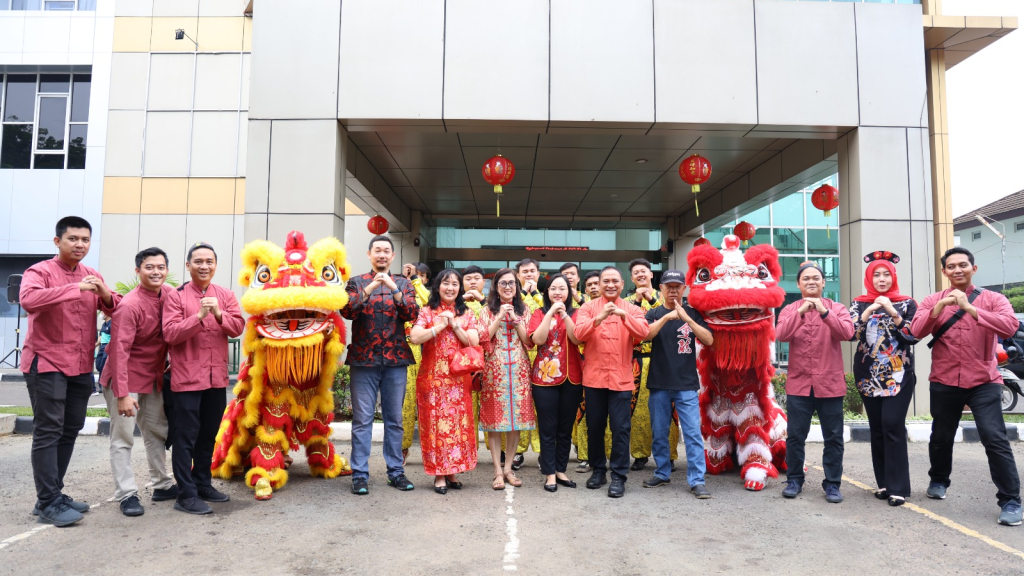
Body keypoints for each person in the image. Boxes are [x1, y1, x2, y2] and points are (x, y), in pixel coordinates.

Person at [910, 247, 1022, 526]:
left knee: (994, 438)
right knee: (941, 435)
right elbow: (915, 331)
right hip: (944, 379)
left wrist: (971, 309)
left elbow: (1009, 326)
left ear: (974, 268)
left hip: (984, 380)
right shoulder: (931, 300)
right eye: (951, 266)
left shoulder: (993, 298)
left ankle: (1010, 500)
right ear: (944, 271)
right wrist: (939, 308)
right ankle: (938, 480)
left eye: (963, 265)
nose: (957, 269)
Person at [21, 216, 118, 527]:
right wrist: (73, 288)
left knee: (71, 427)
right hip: (46, 361)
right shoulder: (40, 272)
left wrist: (104, 294)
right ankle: (48, 501)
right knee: (48, 430)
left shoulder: (92, 274)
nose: (80, 244)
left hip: (79, 366)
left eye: (85, 240)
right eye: (73, 239)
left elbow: (115, 307)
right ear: (57, 241)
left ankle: (51, 495)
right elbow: (29, 300)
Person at [162, 242, 244, 515]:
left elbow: (237, 327)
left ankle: (202, 483)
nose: (204, 266)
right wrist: (198, 316)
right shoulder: (176, 296)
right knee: (185, 437)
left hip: (216, 378)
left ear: (215, 265)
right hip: (186, 378)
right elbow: (171, 334)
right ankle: (185, 494)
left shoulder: (225, 295)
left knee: (209, 434)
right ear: (188, 265)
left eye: (209, 261)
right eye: (198, 261)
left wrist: (219, 313)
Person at [101, 247, 177, 516]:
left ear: (167, 270)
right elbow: (119, 351)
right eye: (149, 267)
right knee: (123, 438)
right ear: (138, 271)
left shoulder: (169, 294)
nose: (156, 272)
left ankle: (162, 484)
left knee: (157, 431)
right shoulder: (129, 305)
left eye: (160, 267)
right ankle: (127, 494)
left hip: (153, 378)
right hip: (124, 380)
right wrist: (122, 394)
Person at [341, 236, 419, 495]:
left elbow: (411, 313)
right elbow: (347, 311)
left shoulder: (403, 283)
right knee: (362, 420)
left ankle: (395, 472)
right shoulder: (356, 282)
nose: (382, 254)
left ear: (393, 256)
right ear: (369, 254)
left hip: (396, 359)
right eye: (378, 250)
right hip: (364, 360)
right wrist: (370, 288)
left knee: (394, 420)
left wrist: (394, 290)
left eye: (387, 251)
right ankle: (360, 474)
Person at [776, 261, 854, 503]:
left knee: (833, 437)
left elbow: (847, 333)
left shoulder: (837, 308)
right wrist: (801, 312)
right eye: (806, 278)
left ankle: (832, 484)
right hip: (799, 384)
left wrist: (824, 312)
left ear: (823, 283)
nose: (811, 281)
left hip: (830, 384)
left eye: (816, 278)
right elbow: (781, 335)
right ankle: (794, 479)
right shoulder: (790, 309)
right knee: (795, 436)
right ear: (798, 284)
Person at [849, 251, 918, 507]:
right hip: (868, 374)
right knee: (877, 428)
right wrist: (870, 312)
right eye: (876, 274)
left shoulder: (907, 303)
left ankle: (899, 488)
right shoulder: (859, 303)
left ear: (894, 276)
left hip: (899, 374)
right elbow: (850, 333)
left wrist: (892, 311)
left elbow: (914, 336)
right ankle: (885, 484)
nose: (881, 279)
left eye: (886, 274)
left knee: (892, 424)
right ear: (869, 277)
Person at [574, 266, 650, 498]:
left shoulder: (632, 308)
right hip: (594, 379)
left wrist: (623, 316)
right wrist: (599, 318)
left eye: (614, 281)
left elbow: (644, 333)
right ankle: (598, 470)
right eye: (605, 281)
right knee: (595, 427)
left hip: (622, 380)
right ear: (599, 283)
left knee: (621, 429)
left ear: (621, 283)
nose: (610, 285)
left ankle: (618, 475)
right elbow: (578, 335)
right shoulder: (587, 307)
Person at [641, 269, 713, 498]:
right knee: (660, 432)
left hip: (686, 385)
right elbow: (645, 335)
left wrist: (687, 318)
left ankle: (697, 480)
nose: (673, 290)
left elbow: (709, 339)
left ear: (684, 288)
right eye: (668, 286)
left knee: (692, 433)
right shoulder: (653, 313)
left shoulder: (694, 313)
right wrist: (666, 317)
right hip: (659, 383)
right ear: (660, 288)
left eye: (677, 286)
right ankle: (662, 473)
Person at [409, 269, 480, 494]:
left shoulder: (466, 313)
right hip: (432, 380)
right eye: (445, 283)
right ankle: (439, 473)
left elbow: (474, 342)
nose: (450, 288)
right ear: (437, 286)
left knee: (458, 426)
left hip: (458, 381)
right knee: (436, 426)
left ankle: (452, 470)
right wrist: (439, 326)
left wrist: (455, 325)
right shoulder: (427, 311)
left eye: (455, 284)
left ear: (460, 289)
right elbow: (415, 337)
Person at [479, 269, 536, 490]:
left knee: (515, 422)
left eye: (512, 283)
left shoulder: (525, 309)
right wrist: (500, 317)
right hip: (494, 369)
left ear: (517, 286)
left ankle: (509, 468)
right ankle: (496, 470)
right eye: (503, 283)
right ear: (495, 286)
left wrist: (515, 320)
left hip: (520, 370)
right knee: (494, 421)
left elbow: (529, 342)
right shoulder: (486, 311)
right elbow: (483, 339)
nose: (508, 287)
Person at [529, 273, 583, 492]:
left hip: (572, 377)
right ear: (547, 292)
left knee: (565, 427)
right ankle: (549, 473)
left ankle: (561, 470)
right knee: (548, 427)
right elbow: (538, 340)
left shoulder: (578, 313)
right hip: (544, 378)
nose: (558, 292)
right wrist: (550, 313)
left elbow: (577, 338)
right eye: (553, 288)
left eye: (562, 288)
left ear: (569, 292)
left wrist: (565, 316)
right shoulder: (538, 313)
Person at [624, 258, 671, 471]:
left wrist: (651, 299)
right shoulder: (626, 301)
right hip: (635, 360)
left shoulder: (664, 298)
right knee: (637, 410)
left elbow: (672, 321)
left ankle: (669, 454)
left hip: (664, 358)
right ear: (632, 278)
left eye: (644, 271)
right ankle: (640, 454)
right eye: (636, 273)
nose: (641, 275)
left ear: (652, 275)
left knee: (667, 409)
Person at [510, 258, 544, 469]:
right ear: (518, 276)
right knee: (519, 405)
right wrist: (523, 293)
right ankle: (518, 451)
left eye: (533, 271)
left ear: (538, 274)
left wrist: (536, 294)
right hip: (518, 356)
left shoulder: (545, 296)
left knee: (542, 405)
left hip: (542, 358)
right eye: (525, 272)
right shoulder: (512, 297)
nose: (529, 274)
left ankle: (542, 452)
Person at [573, 269, 607, 473]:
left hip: (613, 367)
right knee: (586, 414)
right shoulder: (582, 308)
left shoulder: (617, 306)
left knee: (614, 419)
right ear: (585, 289)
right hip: (586, 365)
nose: (594, 287)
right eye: (590, 285)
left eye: (597, 283)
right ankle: (586, 457)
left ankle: (611, 456)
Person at [399, 262, 432, 464]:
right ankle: (402, 448)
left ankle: (431, 450)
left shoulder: (429, 296)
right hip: (406, 351)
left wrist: (414, 280)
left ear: (426, 279)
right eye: (414, 274)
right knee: (406, 403)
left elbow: (428, 302)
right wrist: (405, 280)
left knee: (429, 405)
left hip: (427, 352)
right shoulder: (400, 291)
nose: (416, 277)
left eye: (422, 275)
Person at [461, 265, 487, 452]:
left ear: (484, 282)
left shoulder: (492, 302)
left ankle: (500, 452)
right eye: (468, 278)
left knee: (491, 406)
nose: (472, 282)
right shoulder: (455, 303)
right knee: (466, 408)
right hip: (462, 363)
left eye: (476, 278)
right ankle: (469, 449)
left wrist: (484, 301)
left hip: (489, 361)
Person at [94, 312, 112, 395]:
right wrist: (95, 345)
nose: (101, 314)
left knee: (103, 365)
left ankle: (102, 385)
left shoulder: (112, 324)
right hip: (102, 347)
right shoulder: (104, 324)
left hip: (108, 347)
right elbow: (101, 337)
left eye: (102, 312)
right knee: (98, 365)